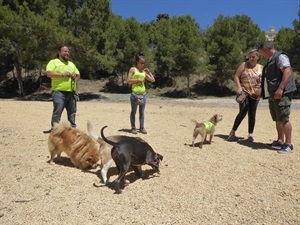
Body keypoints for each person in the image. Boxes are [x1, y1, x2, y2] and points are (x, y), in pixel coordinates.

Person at [258, 41, 297, 154]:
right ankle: (280, 140)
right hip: (273, 94)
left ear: (266, 49)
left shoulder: (281, 57)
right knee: (277, 118)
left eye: (262, 53)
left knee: (284, 118)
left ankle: (289, 144)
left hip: (282, 93)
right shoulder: (270, 61)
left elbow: (287, 72)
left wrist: (280, 89)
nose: (262, 56)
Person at [227, 49, 263, 142]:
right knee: (243, 111)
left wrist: (261, 85)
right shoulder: (244, 65)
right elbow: (236, 76)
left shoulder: (261, 68)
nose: (251, 58)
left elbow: (263, 80)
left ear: (257, 57)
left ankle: (250, 134)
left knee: (252, 114)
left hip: (256, 93)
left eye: (253, 56)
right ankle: (232, 132)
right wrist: (239, 87)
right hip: (244, 92)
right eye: (250, 56)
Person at [43, 45, 80, 133]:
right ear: (59, 52)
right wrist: (62, 74)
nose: (67, 53)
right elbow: (49, 73)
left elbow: (78, 75)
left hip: (71, 92)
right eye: (65, 51)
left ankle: (72, 129)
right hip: (59, 92)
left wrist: (75, 76)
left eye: (68, 51)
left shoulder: (71, 64)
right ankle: (55, 129)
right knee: (58, 111)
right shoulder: (53, 62)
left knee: (72, 112)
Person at [127, 52, 155, 134]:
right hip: (134, 94)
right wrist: (138, 80)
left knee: (142, 112)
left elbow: (153, 80)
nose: (143, 64)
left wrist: (149, 72)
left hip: (143, 94)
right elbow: (128, 80)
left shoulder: (144, 72)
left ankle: (142, 127)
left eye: (144, 63)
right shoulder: (133, 69)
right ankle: (133, 127)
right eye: (141, 63)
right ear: (137, 62)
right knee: (133, 111)